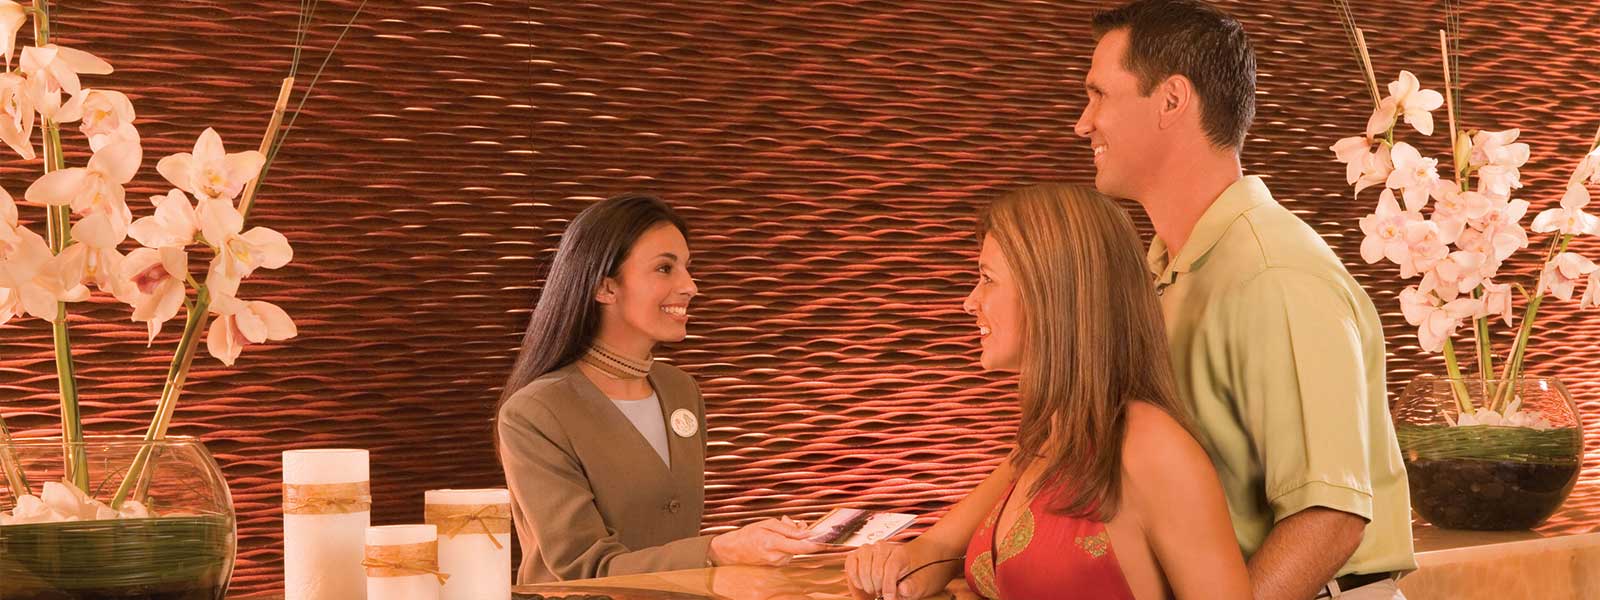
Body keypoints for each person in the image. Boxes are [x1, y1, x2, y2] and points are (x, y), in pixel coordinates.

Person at [1075, 1, 1416, 598]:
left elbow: (1329, 520)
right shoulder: (1170, 268)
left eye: (1099, 94)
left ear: (1172, 100)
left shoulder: (1273, 275)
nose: (1084, 122)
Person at [845, 184, 1250, 600]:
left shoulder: (1153, 449)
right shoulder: (1043, 442)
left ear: (1051, 293)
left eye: (987, 279)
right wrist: (890, 570)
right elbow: (934, 552)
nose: (970, 302)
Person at [496, 194, 825, 583]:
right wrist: (718, 550)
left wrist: (761, 544)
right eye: (665, 268)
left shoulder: (679, 390)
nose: (690, 286)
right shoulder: (536, 412)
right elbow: (585, 567)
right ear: (605, 288)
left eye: (687, 268)